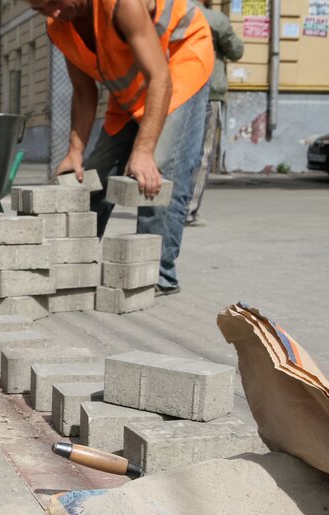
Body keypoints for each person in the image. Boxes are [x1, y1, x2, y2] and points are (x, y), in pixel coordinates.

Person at [31, 0, 214, 295]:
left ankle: (156, 275)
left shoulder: (121, 5)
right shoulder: (59, 28)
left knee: (158, 171)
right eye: (40, 9)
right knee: (93, 175)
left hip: (178, 63)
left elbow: (161, 79)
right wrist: (74, 152)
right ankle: (75, 262)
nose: (52, 13)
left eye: (54, 2)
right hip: (131, 91)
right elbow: (84, 92)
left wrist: (143, 152)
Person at [186, 1, 244, 226]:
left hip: (179, 92)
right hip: (210, 92)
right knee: (203, 153)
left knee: (176, 151)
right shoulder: (215, 19)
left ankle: (168, 206)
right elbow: (237, 51)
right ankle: (188, 211)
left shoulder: (171, 11)